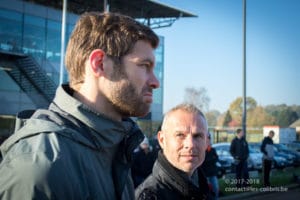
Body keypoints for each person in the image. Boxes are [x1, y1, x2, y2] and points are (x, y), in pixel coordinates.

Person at [0, 12, 159, 200]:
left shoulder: (115, 151)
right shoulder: (40, 167)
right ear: (99, 63)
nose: (155, 81)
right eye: (144, 66)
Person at [135, 103, 210, 200]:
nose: (190, 144)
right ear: (162, 140)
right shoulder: (149, 196)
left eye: (197, 136)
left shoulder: (202, 188)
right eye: (180, 135)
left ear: (207, 141)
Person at [201, 133, 219, 199]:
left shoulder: (212, 149)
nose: (208, 141)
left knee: (215, 188)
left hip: (212, 173)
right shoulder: (202, 150)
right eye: (206, 140)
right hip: (204, 174)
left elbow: (216, 158)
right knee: (206, 190)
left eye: (209, 139)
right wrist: (211, 159)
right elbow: (203, 161)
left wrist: (211, 160)